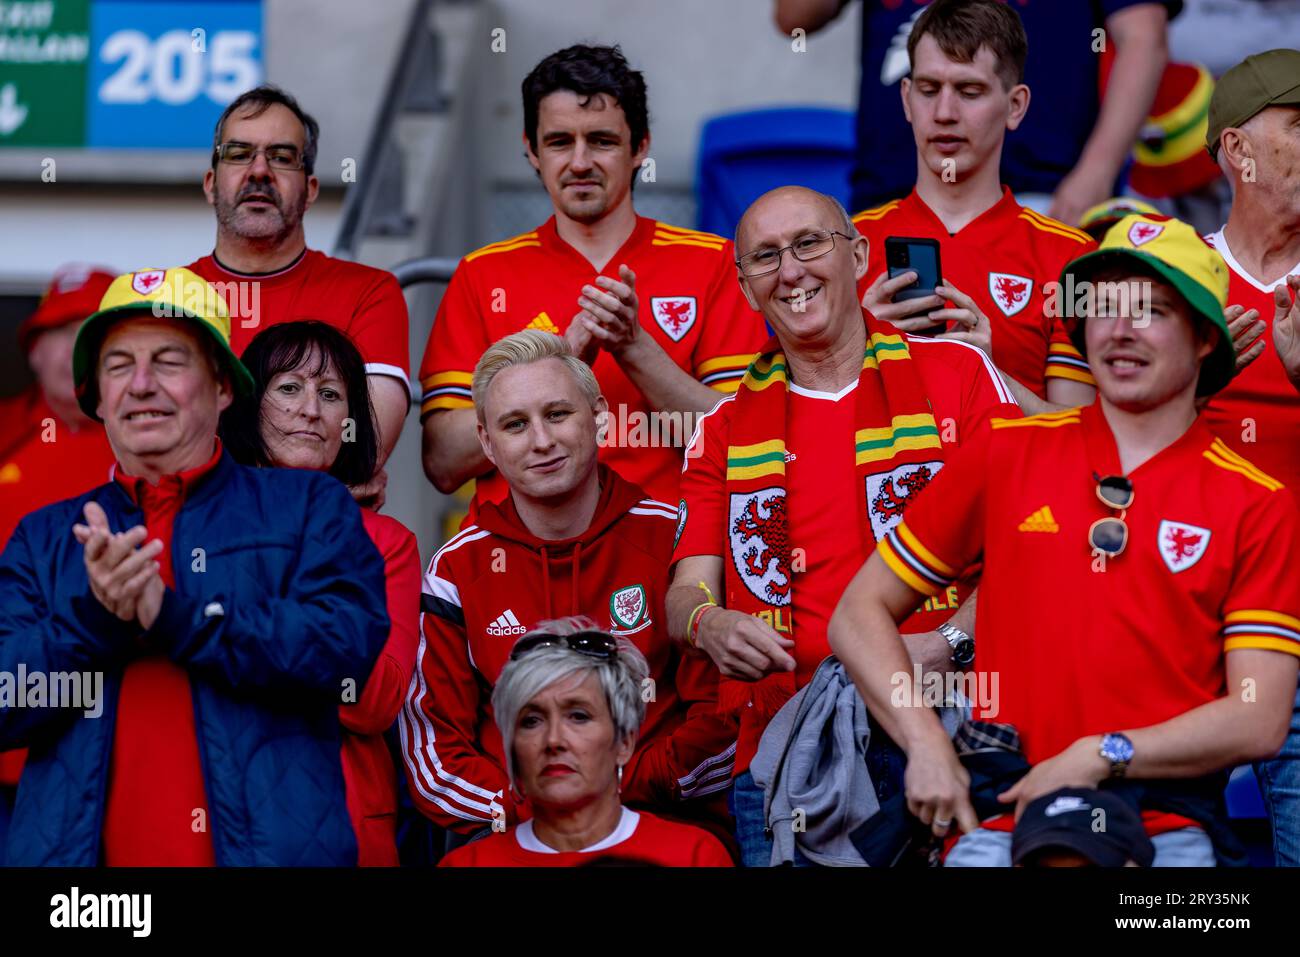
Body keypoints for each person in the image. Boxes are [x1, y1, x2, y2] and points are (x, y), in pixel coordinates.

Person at [828, 214, 1300, 867]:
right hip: (998, 824)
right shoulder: (1004, 448)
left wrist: (1102, 753)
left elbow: (1261, 715)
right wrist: (925, 741)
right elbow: (857, 613)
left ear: (1203, 338)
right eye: (1103, 306)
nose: (1120, 329)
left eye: (1152, 310)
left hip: (1162, 831)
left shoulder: (1257, 500)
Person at [665, 185, 1020, 866]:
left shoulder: (961, 373)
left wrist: (947, 644)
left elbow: (1032, 548)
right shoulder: (723, 428)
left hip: (955, 720)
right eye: (765, 257)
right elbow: (686, 590)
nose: (791, 271)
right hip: (789, 745)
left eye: (808, 243)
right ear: (744, 289)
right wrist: (709, 624)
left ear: (857, 256)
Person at [0, 267, 389, 865]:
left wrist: (177, 617)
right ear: (98, 398)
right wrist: (95, 622)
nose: (141, 384)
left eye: (169, 360)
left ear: (223, 387)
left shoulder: (308, 508)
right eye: (119, 365)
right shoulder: (44, 537)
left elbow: (342, 648)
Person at [403, 329, 737, 843]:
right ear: (487, 443)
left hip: (662, 826)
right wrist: (536, 805)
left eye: (558, 414)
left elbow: (724, 714)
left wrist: (617, 797)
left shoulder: (674, 538)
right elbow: (433, 747)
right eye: (515, 425)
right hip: (514, 834)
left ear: (600, 416)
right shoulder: (457, 569)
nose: (541, 441)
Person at [419, 44, 767, 511]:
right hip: (519, 558)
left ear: (640, 146)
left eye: (601, 140)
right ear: (531, 150)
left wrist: (633, 345)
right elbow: (443, 462)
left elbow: (744, 444)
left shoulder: (712, 261)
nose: (580, 162)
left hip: (670, 550)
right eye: (560, 141)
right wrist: (562, 362)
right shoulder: (483, 273)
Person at [219, 321, 421, 866]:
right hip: (217, 813)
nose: (311, 408)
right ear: (248, 405)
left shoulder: (386, 543)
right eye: (288, 387)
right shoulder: (203, 525)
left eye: (330, 394)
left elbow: (375, 699)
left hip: (344, 821)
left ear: (347, 424)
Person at [847, 0, 1100, 412]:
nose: (945, 113)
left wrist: (985, 374)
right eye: (929, 90)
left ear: (1015, 106)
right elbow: (801, 430)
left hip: (1009, 476)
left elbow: (1077, 434)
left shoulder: (1071, 257)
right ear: (907, 100)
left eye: (969, 91)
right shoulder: (846, 247)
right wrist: (858, 354)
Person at [186, 84, 410, 502]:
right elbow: (155, 450)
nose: (258, 171)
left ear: (309, 190)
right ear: (211, 184)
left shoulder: (369, 291)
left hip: (321, 553)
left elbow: (358, 452)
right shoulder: (166, 298)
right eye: (238, 153)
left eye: (281, 157)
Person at [776, 0, 1174, 224]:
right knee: (891, 363)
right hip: (893, 193)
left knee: (1030, 358)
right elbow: (793, 17)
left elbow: (1144, 36)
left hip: (1041, 194)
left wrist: (1096, 173)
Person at [1201, 48, 1300, 865]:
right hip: (1184, 612)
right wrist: (1187, 395)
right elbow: (1097, 453)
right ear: (1238, 151)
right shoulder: (1170, 277)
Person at [439, 620, 734, 867]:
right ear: (511, 747)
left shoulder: (694, 856)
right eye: (531, 721)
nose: (553, 740)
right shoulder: (467, 864)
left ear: (625, 743)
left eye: (578, 716)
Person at [0, 265, 118, 849]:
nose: (75, 349)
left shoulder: (155, 443)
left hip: (113, 743)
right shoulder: (5, 436)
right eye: (62, 332)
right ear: (35, 352)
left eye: (92, 332)